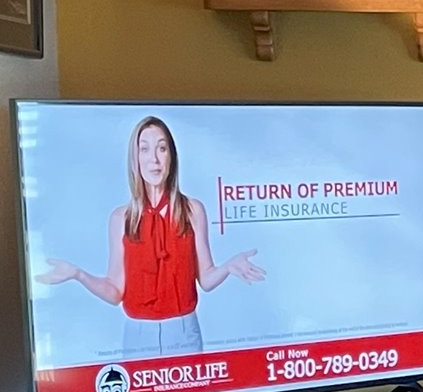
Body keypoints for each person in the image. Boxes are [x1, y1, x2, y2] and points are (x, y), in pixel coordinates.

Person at [35, 116, 265, 357]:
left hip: (185, 332)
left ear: (171, 157)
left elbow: (205, 280)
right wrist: (77, 274)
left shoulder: (192, 210)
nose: (154, 159)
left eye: (162, 148)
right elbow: (115, 291)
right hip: (138, 335)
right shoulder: (120, 219)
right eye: (144, 149)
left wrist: (228, 267)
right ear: (135, 159)